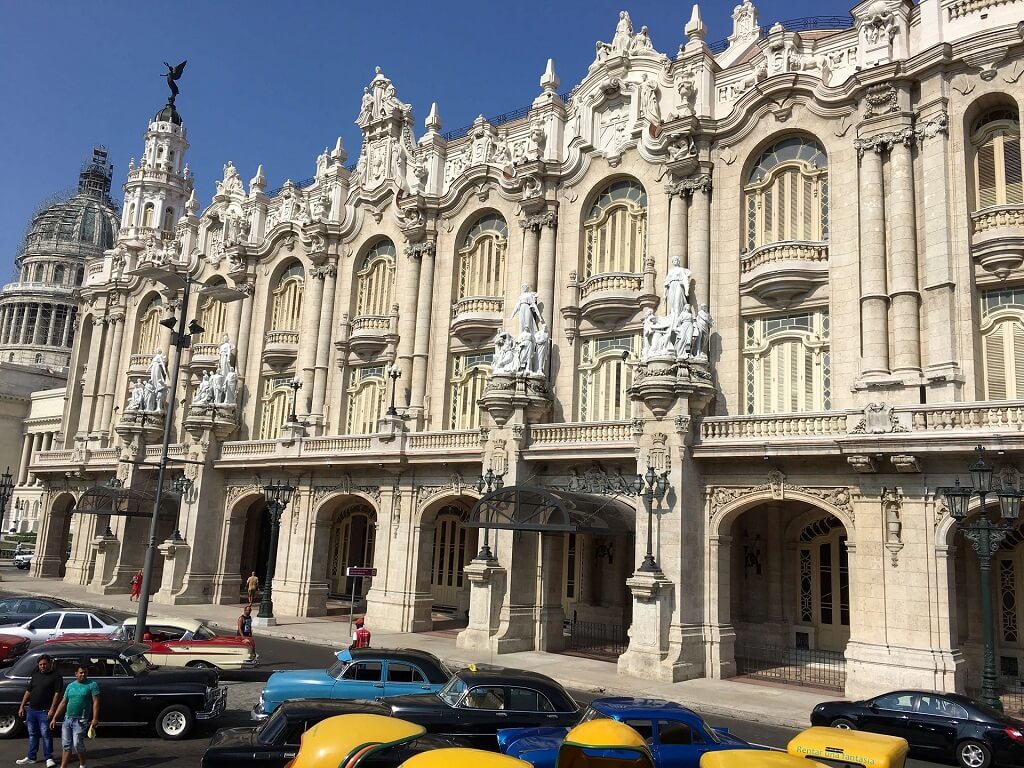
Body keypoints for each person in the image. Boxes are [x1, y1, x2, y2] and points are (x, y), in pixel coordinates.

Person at [49, 664, 99, 768]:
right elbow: (63, 702)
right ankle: (63, 766)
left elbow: (96, 702)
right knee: (66, 745)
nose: (83, 674)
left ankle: (82, 764)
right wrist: (54, 718)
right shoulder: (70, 686)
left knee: (77, 744)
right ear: (76, 674)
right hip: (68, 719)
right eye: (81, 672)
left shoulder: (92, 685)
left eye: (85, 672)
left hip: (80, 720)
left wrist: (95, 718)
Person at [17, 654, 62, 767]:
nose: (42, 666)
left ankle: (49, 758)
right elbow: (28, 691)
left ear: (49, 663)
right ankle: (31, 757)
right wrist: (22, 706)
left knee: (46, 734)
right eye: (40, 664)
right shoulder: (35, 675)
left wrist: (52, 710)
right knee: (32, 734)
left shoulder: (56, 676)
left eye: (44, 664)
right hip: (31, 710)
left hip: (44, 711)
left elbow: (57, 695)